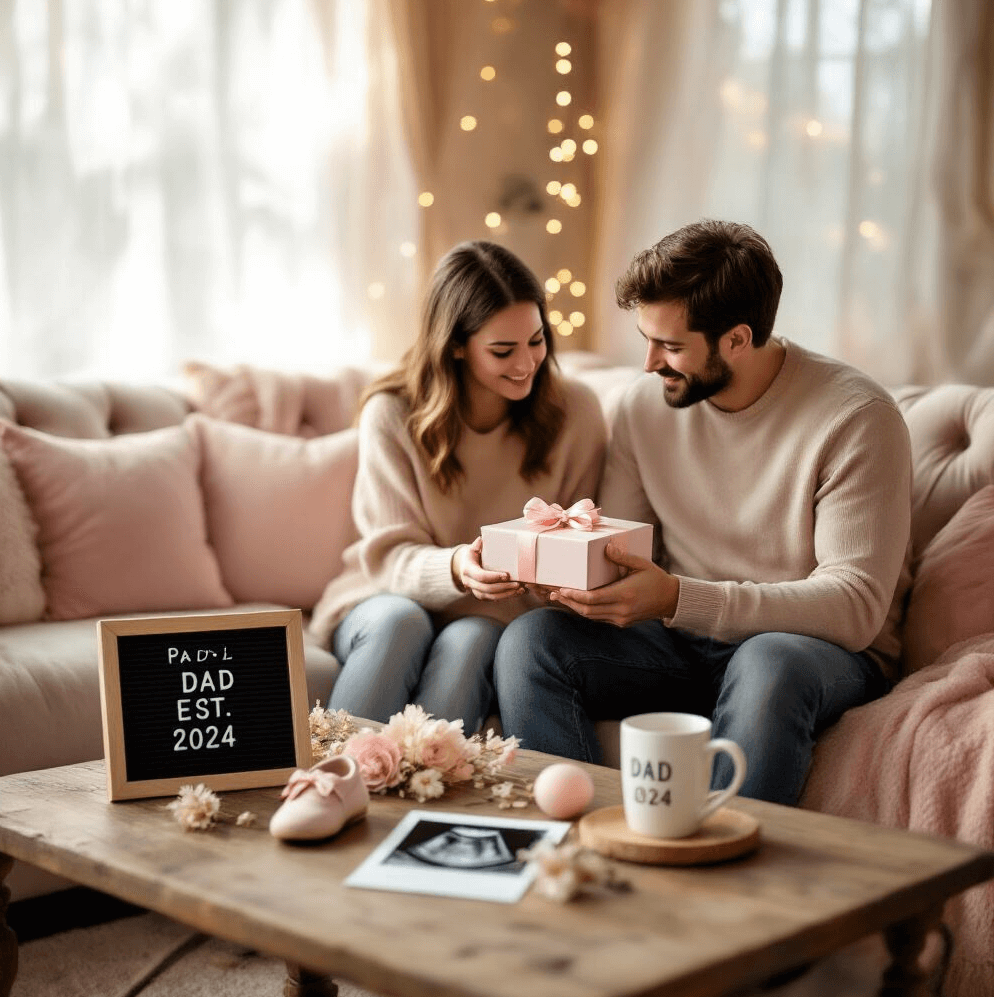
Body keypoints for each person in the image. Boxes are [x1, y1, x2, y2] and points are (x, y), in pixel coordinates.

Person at [493, 220, 913, 806]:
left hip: (811, 652)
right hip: (681, 641)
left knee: (768, 661)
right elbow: (627, 551)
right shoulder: (644, 407)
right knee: (531, 642)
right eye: (645, 338)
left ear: (738, 339)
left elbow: (855, 608)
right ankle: (583, 843)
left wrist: (676, 599)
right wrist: (569, 573)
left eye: (670, 346)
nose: (647, 364)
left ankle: (719, 879)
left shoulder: (856, 417)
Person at [309, 240, 606, 735]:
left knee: (471, 639)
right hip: (387, 595)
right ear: (456, 345)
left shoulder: (577, 412)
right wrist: (456, 566)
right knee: (400, 623)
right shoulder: (392, 413)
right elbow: (389, 556)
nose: (527, 363)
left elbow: (580, 545)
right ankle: (335, 780)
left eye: (537, 340)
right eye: (502, 350)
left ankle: (429, 786)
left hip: (496, 612)